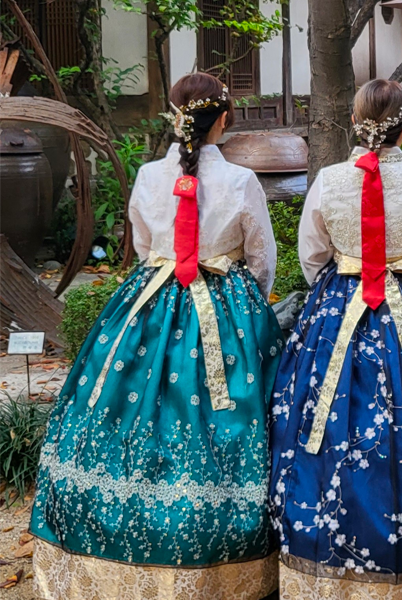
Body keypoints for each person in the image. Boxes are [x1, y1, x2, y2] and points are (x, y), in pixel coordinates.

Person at [30, 72, 282, 600]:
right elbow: (262, 260)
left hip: (148, 304)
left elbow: (145, 248)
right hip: (225, 307)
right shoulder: (241, 181)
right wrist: (248, 310)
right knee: (229, 419)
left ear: (173, 117)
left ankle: (109, 549)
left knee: (123, 408)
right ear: (225, 118)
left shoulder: (148, 175)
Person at [270, 79, 402, 599]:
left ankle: (325, 551)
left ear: (356, 124)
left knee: (326, 421)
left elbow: (312, 256)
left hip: (339, 306)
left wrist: (338, 285)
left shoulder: (329, 180)